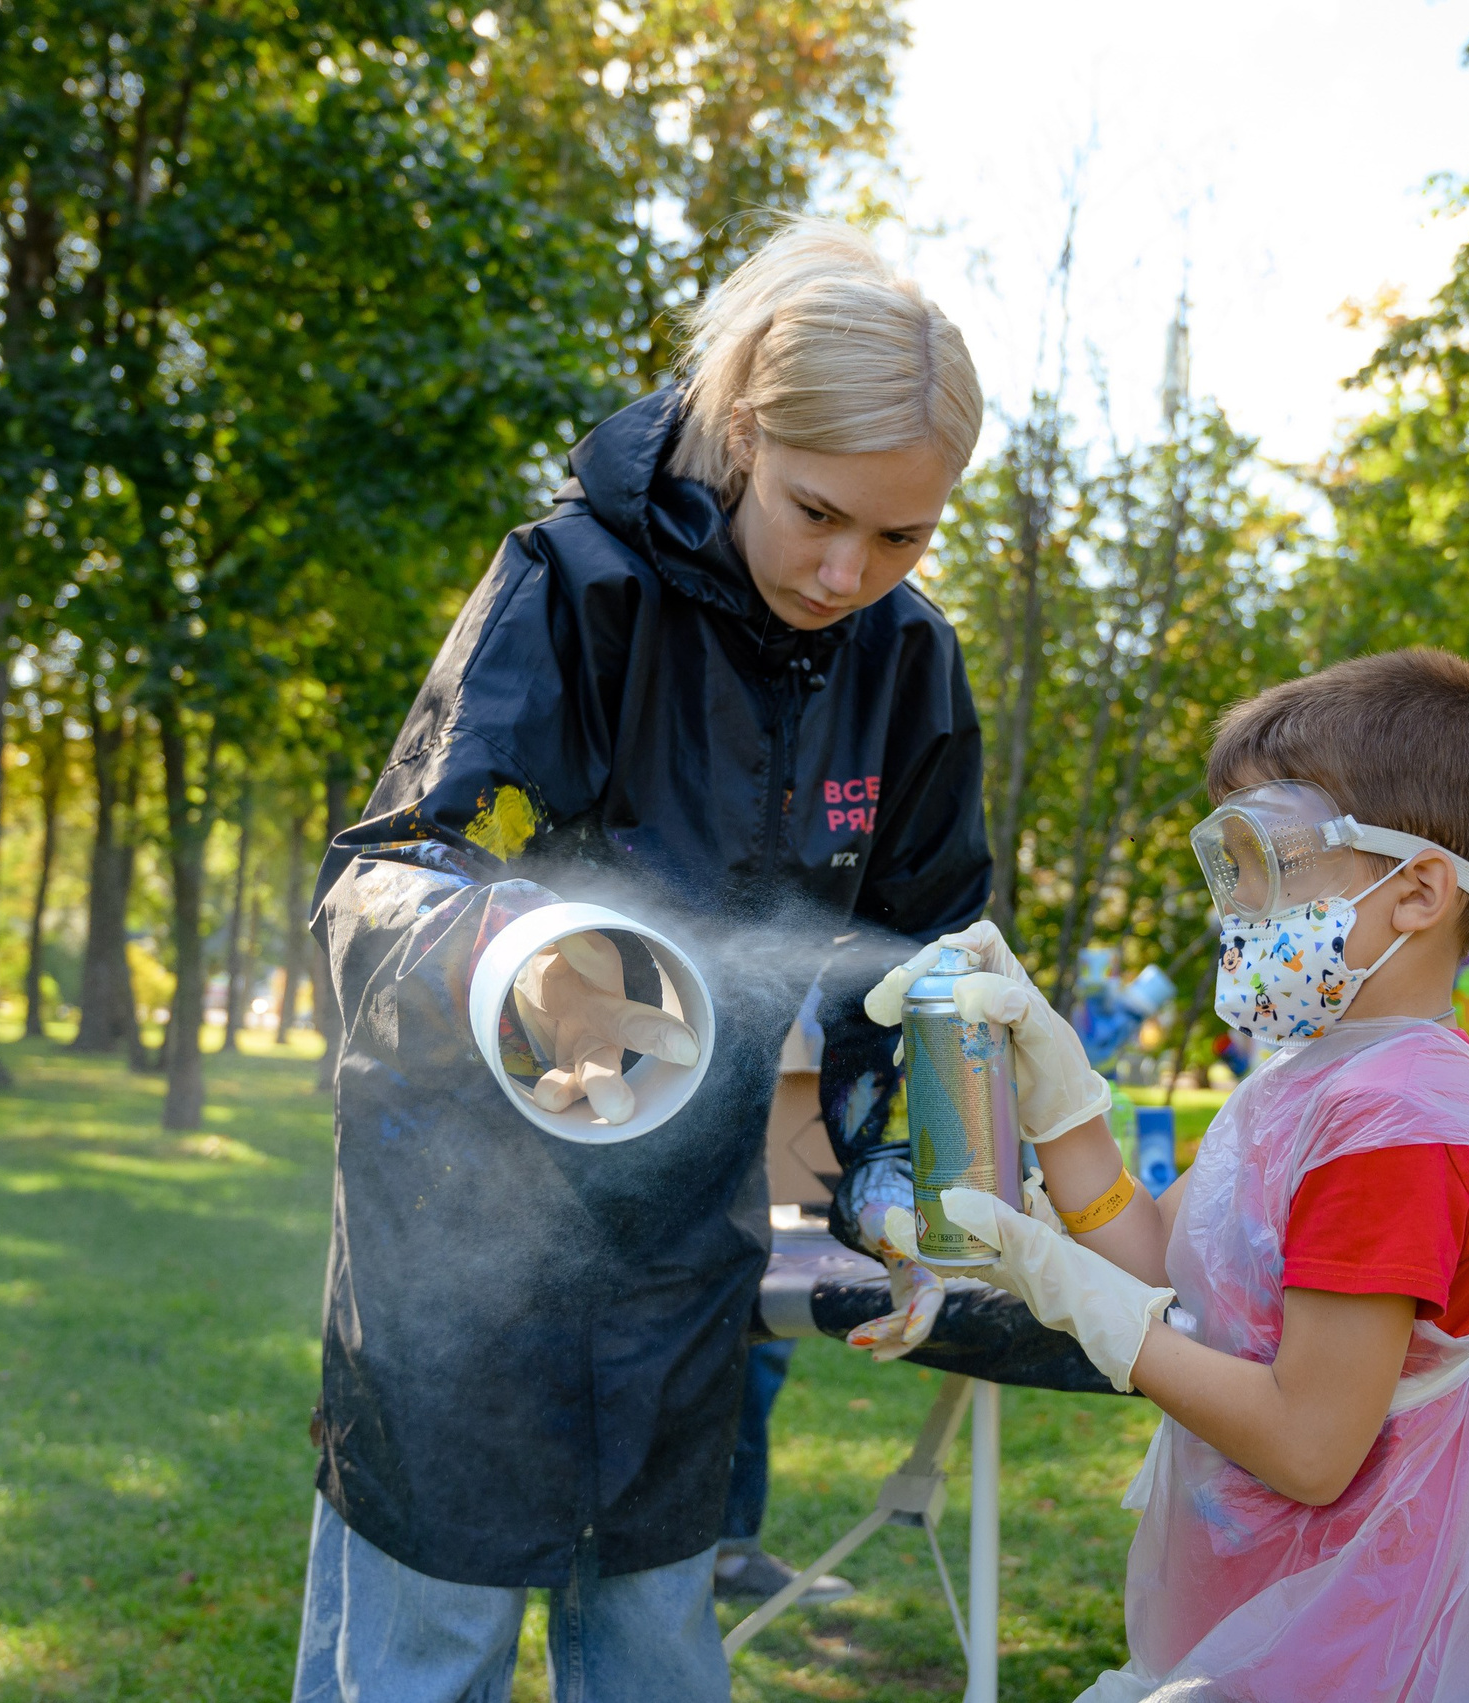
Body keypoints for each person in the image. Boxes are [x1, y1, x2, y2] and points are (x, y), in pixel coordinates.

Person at [293, 220, 990, 1703]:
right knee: (427, 1655)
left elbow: (920, 963)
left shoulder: (908, 665)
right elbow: (383, 873)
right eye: (816, 511)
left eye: (901, 535)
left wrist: (899, 1174)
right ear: (746, 431)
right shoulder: (571, 585)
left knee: (661, 1646)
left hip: (683, 1247)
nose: (847, 569)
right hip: (454, 1235)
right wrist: (517, 945)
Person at [869, 649, 1469, 1701]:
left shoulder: (1393, 1131)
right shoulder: (1310, 1080)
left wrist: (1080, 1297)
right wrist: (1058, 1089)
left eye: (1270, 860)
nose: (1235, 903)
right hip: (1260, 1611)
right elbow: (1163, 1252)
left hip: (1337, 1644)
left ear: (1418, 890)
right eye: (1232, 861)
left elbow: (1308, 1446)